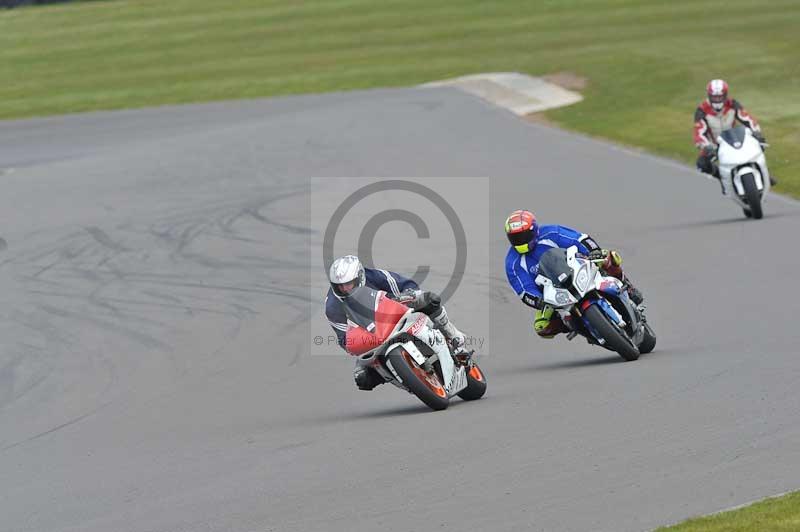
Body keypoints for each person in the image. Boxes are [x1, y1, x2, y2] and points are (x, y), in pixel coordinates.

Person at [325, 255, 467, 390]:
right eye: (339, 286)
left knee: (429, 300)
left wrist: (409, 295)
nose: (344, 289)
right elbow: (344, 339)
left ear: (360, 277)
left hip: (396, 309)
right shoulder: (332, 307)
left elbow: (403, 284)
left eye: (349, 284)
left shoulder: (372, 276)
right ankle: (406, 378)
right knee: (362, 379)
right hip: (373, 336)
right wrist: (356, 344)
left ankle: (452, 333)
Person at [504, 209, 643, 339]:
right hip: (553, 294)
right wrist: (538, 300)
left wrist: (594, 251)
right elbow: (523, 289)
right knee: (541, 326)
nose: (520, 241)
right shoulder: (512, 263)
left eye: (523, 236)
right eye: (515, 238)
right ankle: (574, 325)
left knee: (608, 258)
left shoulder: (551, 233)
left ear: (534, 230)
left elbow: (580, 239)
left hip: (577, 269)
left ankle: (628, 287)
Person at [694, 79, 775, 187]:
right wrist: (705, 146)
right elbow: (698, 132)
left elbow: (747, 118)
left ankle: (763, 173)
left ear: (725, 95)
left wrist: (756, 132)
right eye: (714, 97)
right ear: (709, 96)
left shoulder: (732, 104)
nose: (717, 100)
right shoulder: (702, 110)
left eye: (720, 97)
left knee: (759, 145)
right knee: (701, 164)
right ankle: (722, 178)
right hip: (714, 145)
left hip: (733, 137)